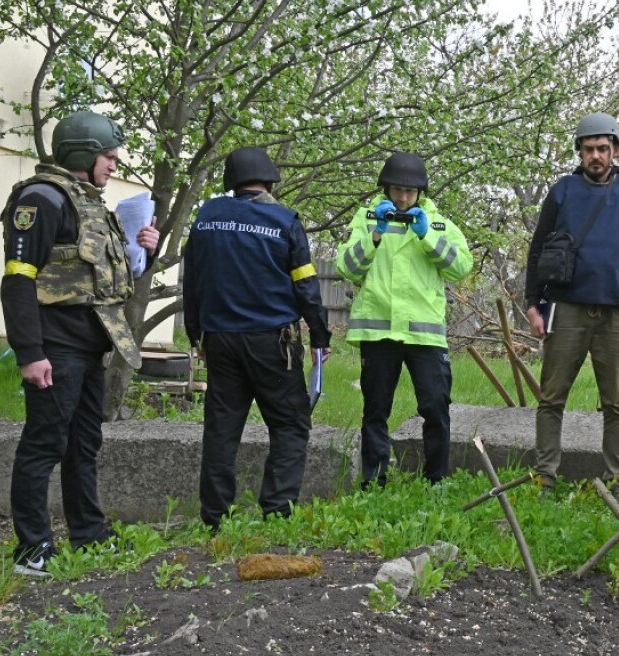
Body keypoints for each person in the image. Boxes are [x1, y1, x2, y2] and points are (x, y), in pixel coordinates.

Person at [0, 110, 160, 575]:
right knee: (44, 444)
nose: (114, 164)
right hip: (55, 347)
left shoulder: (90, 203)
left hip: (91, 348)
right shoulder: (42, 198)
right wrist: (30, 353)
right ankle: (32, 549)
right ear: (82, 153)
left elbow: (108, 276)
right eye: (107, 156)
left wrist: (145, 251)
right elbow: (18, 280)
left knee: (83, 443)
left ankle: (89, 534)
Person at [183, 146, 332, 531]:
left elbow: (193, 279)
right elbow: (306, 286)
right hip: (272, 344)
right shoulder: (284, 221)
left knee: (221, 430)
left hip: (219, 341)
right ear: (270, 181)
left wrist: (196, 335)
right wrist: (319, 335)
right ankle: (277, 513)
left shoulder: (207, 217)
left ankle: (215, 518)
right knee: (289, 425)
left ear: (232, 182)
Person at [524, 113, 619, 504]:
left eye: (603, 148)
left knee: (616, 402)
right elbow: (538, 249)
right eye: (588, 149)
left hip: (617, 311)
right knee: (551, 397)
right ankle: (545, 477)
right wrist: (533, 304)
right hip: (567, 308)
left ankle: (616, 480)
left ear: (616, 150)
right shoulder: (562, 191)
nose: (596, 155)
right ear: (580, 152)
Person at [336, 152, 472, 488]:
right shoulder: (366, 219)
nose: (402, 197)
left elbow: (461, 268)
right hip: (378, 331)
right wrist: (375, 235)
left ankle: (436, 480)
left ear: (420, 193)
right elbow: (346, 267)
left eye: (409, 192)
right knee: (376, 409)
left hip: (425, 335)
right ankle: (373, 482)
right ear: (386, 189)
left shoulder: (438, 223)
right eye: (397, 190)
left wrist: (427, 237)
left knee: (436, 407)